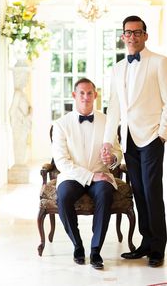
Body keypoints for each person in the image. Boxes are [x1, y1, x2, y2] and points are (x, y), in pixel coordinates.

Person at [102, 15, 167, 267]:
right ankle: (145, 243)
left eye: (137, 32)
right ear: (123, 37)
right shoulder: (117, 68)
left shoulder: (160, 62)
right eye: (128, 33)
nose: (132, 37)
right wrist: (108, 140)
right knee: (139, 192)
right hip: (128, 140)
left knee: (152, 191)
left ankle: (158, 247)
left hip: (151, 136)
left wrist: (163, 134)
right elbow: (114, 107)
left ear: (145, 35)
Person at [52, 78, 122, 270]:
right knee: (64, 196)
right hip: (73, 176)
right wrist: (90, 177)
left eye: (89, 93)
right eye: (81, 93)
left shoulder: (107, 121)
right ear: (74, 95)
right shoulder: (61, 124)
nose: (85, 97)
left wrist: (113, 159)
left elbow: (117, 151)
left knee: (105, 193)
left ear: (95, 95)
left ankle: (96, 250)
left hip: (100, 172)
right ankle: (77, 246)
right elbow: (62, 162)